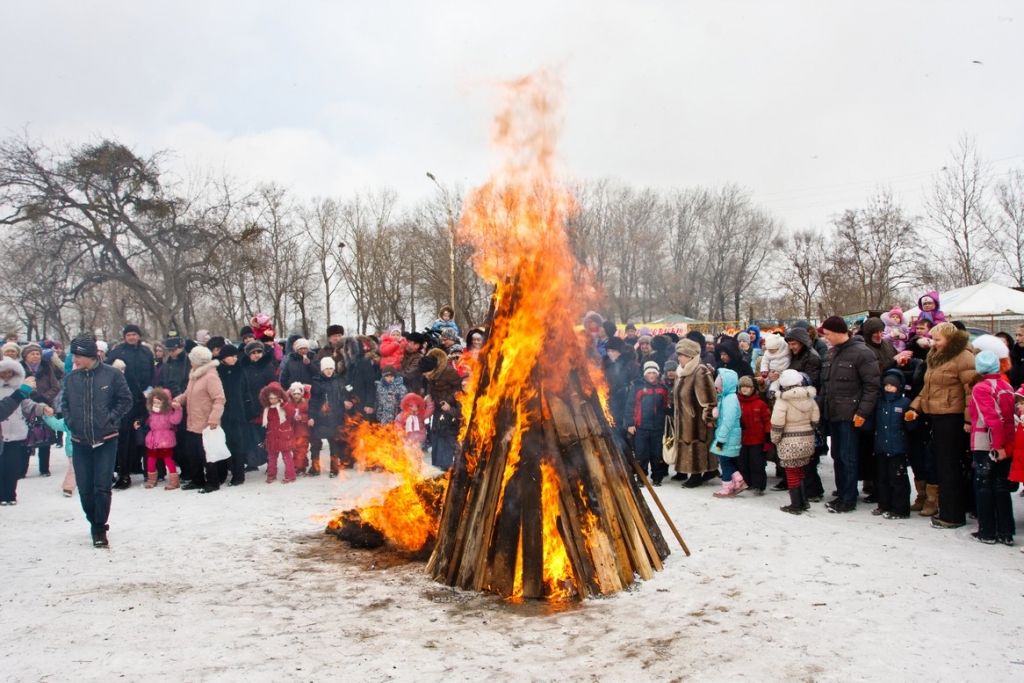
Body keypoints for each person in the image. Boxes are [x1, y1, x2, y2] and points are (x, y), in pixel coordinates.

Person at [61, 334, 133, 547]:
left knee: (102, 486)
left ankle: (99, 528)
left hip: (106, 439)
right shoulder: (71, 378)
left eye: (77, 356)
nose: (74, 360)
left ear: (90, 355)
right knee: (85, 488)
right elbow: (64, 403)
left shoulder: (112, 375)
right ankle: (94, 520)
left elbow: (126, 400)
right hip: (79, 440)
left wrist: (109, 418)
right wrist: (70, 421)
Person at [906, 322, 976, 529]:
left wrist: (968, 419)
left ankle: (952, 514)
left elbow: (971, 391)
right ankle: (947, 509)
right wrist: (915, 408)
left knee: (949, 465)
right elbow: (928, 387)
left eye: (937, 339)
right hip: (936, 415)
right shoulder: (936, 356)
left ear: (950, 340)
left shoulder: (964, 357)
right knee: (942, 464)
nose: (933, 343)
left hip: (952, 417)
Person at [818, 316, 881, 513]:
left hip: (851, 415)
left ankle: (848, 498)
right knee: (838, 455)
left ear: (838, 332)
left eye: (827, 334)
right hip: (833, 413)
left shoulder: (862, 353)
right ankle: (843, 491)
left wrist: (862, 413)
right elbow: (825, 386)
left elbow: (872, 386)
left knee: (848, 456)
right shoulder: (832, 354)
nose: (826, 339)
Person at [968, 351, 1016, 545]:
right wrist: (1005, 444)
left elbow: (992, 418)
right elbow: (1009, 418)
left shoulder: (981, 388)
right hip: (1005, 441)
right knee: (1001, 485)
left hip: (986, 442)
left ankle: (987, 530)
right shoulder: (1006, 386)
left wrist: (996, 446)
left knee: (983, 484)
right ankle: (1006, 531)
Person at [107, 324, 155, 489]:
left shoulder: (146, 352)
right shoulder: (118, 352)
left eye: (134, 334)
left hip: (142, 398)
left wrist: (149, 391)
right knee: (124, 438)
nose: (132, 337)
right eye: (128, 335)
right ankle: (123, 472)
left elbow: (152, 374)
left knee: (143, 436)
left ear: (139, 336)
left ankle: (144, 468)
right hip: (122, 399)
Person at [172, 345, 226, 494]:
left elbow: (219, 399)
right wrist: (177, 400)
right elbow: (188, 394)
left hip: (207, 423)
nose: (190, 362)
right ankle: (197, 480)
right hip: (193, 421)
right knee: (192, 453)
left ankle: (213, 482)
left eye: (192, 360)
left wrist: (214, 419)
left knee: (206, 454)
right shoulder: (195, 375)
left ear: (198, 361)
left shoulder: (210, 376)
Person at [771, 369, 820, 515]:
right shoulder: (809, 398)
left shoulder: (782, 401)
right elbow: (816, 419)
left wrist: (775, 439)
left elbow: (777, 423)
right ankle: (804, 500)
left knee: (791, 472)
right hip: (807, 440)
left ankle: (796, 504)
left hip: (789, 441)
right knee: (800, 470)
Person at [671, 339, 718, 488]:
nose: (679, 358)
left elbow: (710, 398)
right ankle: (685, 469)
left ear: (690, 356)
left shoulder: (699, 371)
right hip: (683, 416)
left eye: (682, 355)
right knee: (684, 443)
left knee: (696, 444)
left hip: (696, 418)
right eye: (678, 355)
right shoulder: (681, 371)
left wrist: (709, 416)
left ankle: (697, 474)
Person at [870, 369, 917, 519]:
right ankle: (884, 505)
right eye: (887, 385)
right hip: (881, 448)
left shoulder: (904, 403)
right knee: (882, 479)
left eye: (893, 385)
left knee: (898, 480)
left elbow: (910, 428)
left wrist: (911, 419)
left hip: (897, 448)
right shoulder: (879, 402)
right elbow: (872, 423)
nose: (889, 388)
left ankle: (900, 509)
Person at [0, 360, 45, 506]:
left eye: (10, 372)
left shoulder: (18, 389)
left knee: (13, 465)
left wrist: (41, 408)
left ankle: (11, 494)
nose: (6, 375)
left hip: (16, 431)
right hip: (2, 431)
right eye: (3, 372)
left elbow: (27, 405)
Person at [20, 341, 62, 477]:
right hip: (25, 407)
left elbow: (55, 386)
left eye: (37, 354)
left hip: (45, 405)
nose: (35, 356)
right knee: (25, 437)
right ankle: (22, 469)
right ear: (26, 356)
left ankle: (44, 468)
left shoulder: (46, 366)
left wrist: (44, 397)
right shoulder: (20, 369)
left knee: (45, 436)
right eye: (32, 354)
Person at [626, 361, 670, 486]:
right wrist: (630, 423)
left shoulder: (662, 389)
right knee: (641, 454)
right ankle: (641, 477)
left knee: (657, 454)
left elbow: (665, 406)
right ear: (645, 374)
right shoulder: (638, 388)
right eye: (649, 373)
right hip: (641, 427)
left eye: (654, 373)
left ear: (657, 374)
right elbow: (630, 406)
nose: (651, 375)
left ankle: (657, 477)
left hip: (657, 427)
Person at [137, 388, 183, 490]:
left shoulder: (168, 413)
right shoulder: (152, 414)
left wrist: (178, 410)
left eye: (158, 402)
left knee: (168, 459)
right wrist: (140, 422)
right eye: (154, 402)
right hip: (153, 440)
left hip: (165, 440)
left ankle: (174, 481)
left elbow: (175, 420)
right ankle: (152, 479)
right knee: (151, 460)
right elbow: (148, 422)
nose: (156, 405)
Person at [308, 357, 347, 477]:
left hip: (335, 417)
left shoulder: (337, 380)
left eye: (331, 368)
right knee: (315, 444)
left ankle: (334, 469)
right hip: (321, 418)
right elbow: (313, 401)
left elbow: (341, 397)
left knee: (334, 444)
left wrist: (344, 408)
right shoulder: (317, 382)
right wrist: (311, 416)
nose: (329, 371)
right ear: (322, 369)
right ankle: (315, 467)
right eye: (326, 369)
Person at [710, 368, 745, 497]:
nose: (717, 390)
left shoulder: (730, 400)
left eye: (719, 388)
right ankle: (738, 480)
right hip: (727, 436)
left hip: (726, 437)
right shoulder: (726, 398)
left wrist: (721, 438)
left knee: (724, 461)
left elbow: (728, 421)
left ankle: (727, 486)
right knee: (725, 459)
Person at [736, 375, 771, 494]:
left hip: (757, 439)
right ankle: (747, 482)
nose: (745, 389)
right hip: (742, 439)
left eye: (748, 387)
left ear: (753, 388)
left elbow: (767, 419)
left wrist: (767, 434)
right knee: (743, 462)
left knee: (757, 463)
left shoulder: (760, 404)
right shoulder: (736, 402)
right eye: (742, 387)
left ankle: (759, 485)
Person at [256, 382, 296, 484]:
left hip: (284, 436)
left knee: (287, 457)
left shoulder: (285, 407)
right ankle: (271, 474)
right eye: (271, 398)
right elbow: (262, 419)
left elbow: (292, 413)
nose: (273, 400)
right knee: (272, 458)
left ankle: (290, 475)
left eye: (275, 398)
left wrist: (284, 404)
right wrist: (252, 420)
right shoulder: (266, 410)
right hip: (272, 437)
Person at [286, 383, 311, 475]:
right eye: (294, 394)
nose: (296, 396)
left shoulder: (306, 403)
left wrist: (302, 417)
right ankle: (303, 464)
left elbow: (310, 415)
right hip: (292, 431)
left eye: (298, 393)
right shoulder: (289, 404)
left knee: (301, 449)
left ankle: (297, 467)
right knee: (295, 449)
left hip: (303, 431)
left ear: (302, 394)